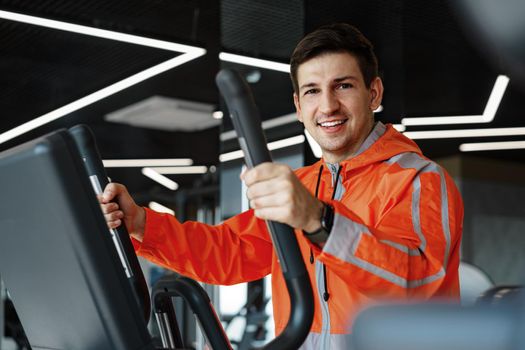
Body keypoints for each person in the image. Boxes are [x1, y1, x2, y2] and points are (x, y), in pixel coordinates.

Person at [100, 23, 463, 349]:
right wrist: (141, 224)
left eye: (343, 86)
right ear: (298, 105)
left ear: (374, 93)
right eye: (312, 91)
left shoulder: (418, 179)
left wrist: (320, 222)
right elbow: (231, 252)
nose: (328, 106)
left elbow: (415, 285)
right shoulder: (304, 185)